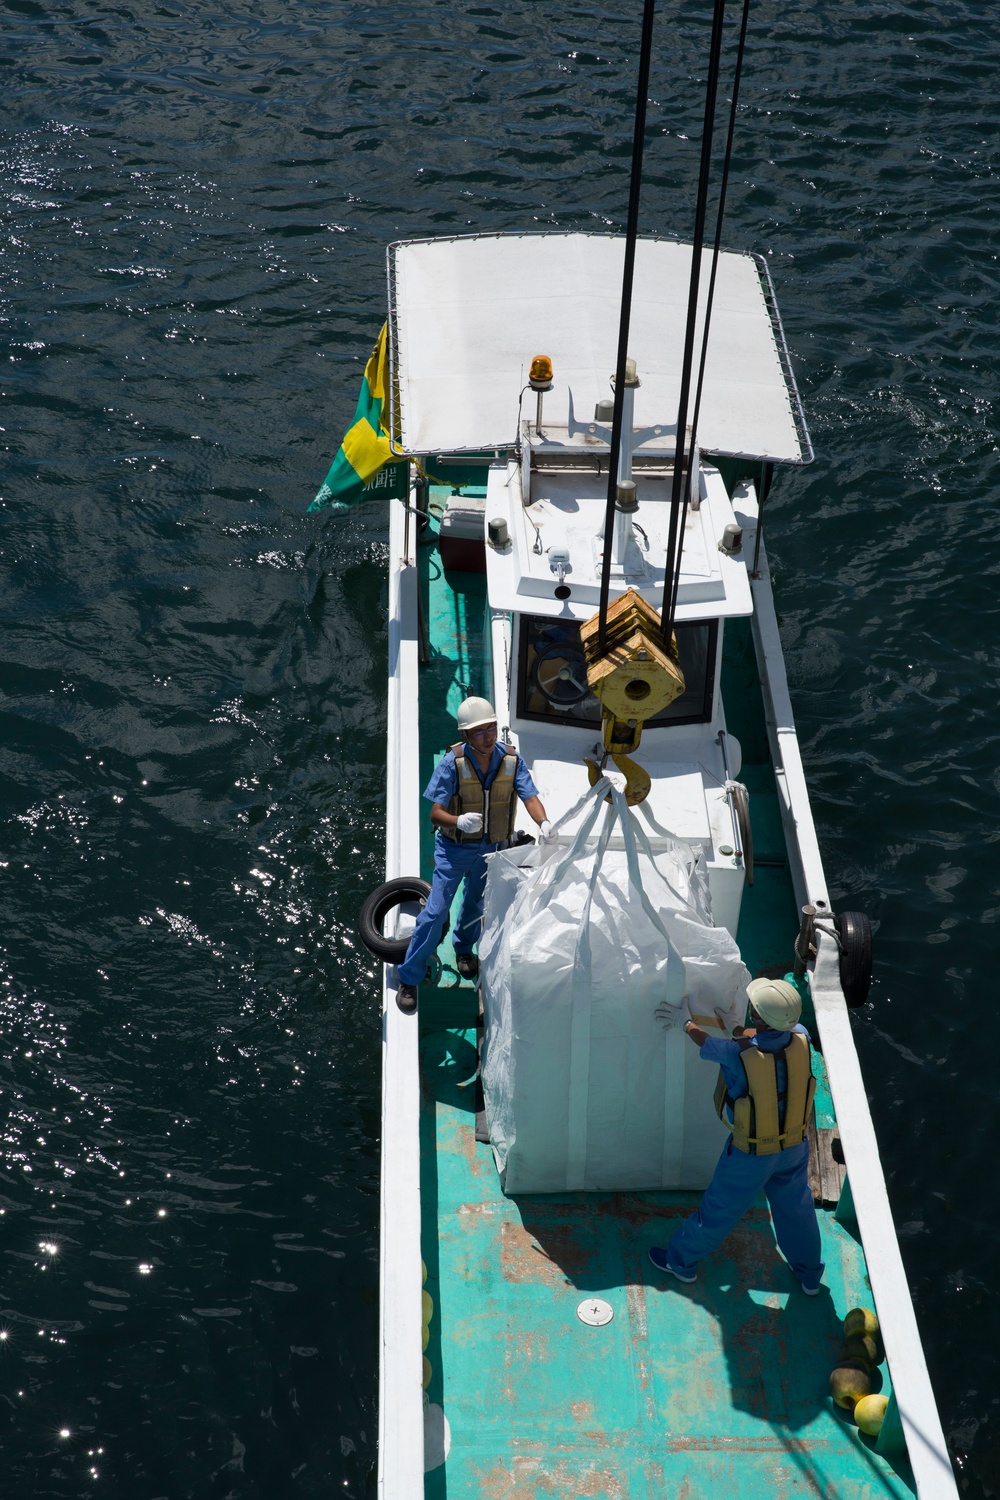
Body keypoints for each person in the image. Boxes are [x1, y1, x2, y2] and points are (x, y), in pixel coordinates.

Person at [649, 977, 824, 1295]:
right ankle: (810, 1275)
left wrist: (684, 1022)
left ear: (757, 1016)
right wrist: (734, 1027)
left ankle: (681, 1262)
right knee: (797, 1212)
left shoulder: (733, 1054)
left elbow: (704, 1041)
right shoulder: (802, 1036)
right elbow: (767, 1037)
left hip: (752, 1155)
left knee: (719, 1211)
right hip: (795, 1149)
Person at [395, 696, 551, 1014]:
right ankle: (409, 976)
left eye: (491, 728)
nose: (487, 736)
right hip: (454, 851)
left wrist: (544, 822)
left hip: (490, 848)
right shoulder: (451, 764)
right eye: (479, 732)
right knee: (435, 912)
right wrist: (458, 821)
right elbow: (436, 815)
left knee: (475, 905)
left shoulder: (510, 759)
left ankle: (463, 949)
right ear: (466, 735)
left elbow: (530, 795)